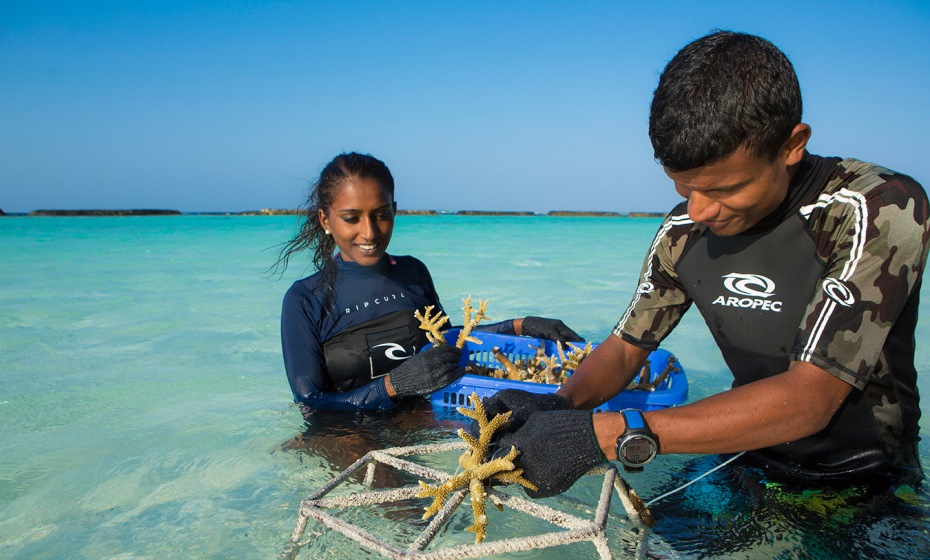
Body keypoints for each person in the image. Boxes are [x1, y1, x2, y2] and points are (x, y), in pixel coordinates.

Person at [485, 31, 929, 497]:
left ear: (791, 145)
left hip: (866, 480)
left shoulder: (875, 207)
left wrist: (607, 434)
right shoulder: (683, 231)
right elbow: (625, 348)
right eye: (683, 186)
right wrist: (560, 404)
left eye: (723, 189)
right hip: (743, 455)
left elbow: (810, 398)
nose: (698, 210)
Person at [276, 152, 583, 412]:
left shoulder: (413, 272)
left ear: (394, 211)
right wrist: (392, 386)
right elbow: (311, 402)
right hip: (350, 438)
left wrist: (518, 326)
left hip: (424, 418)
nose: (370, 232)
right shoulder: (305, 299)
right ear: (326, 220)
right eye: (352, 218)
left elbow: (447, 343)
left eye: (381, 215)